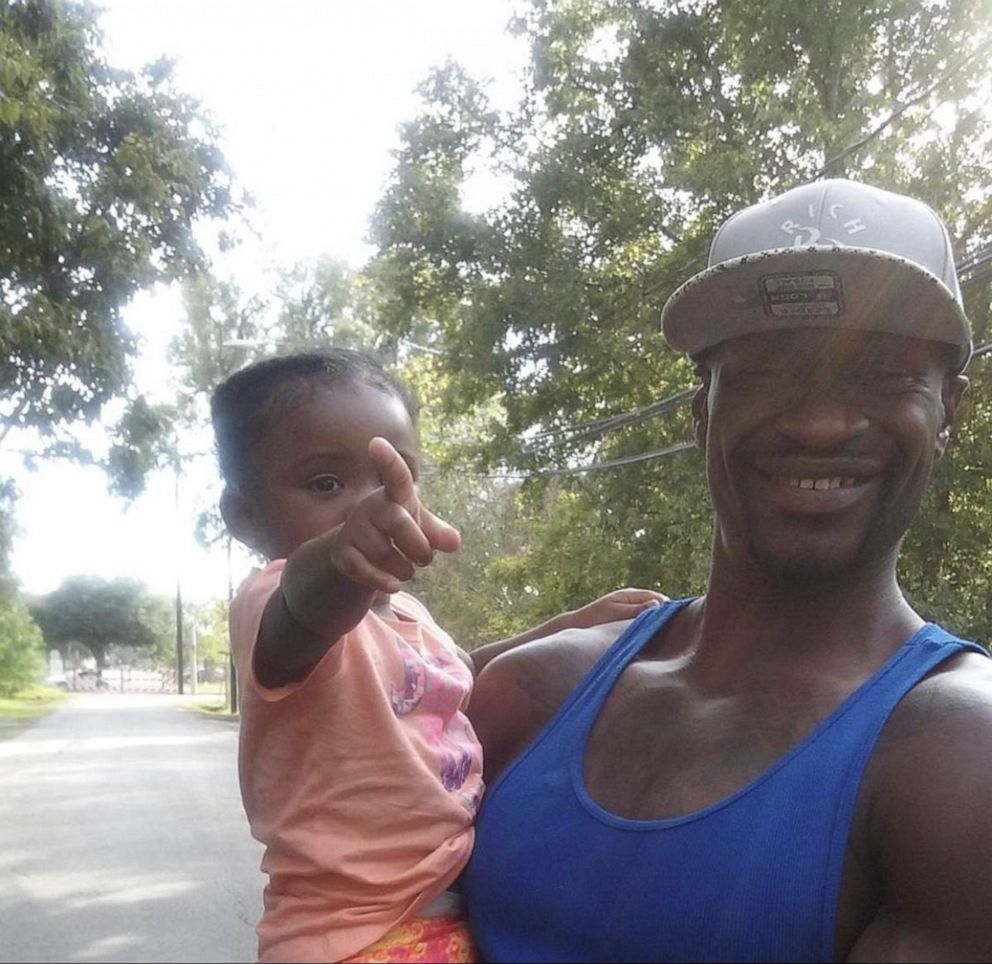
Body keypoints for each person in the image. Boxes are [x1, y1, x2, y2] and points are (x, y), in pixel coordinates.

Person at [463, 179, 992, 962]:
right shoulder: (530, 693)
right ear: (700, 405)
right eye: (770, 370)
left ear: (950, 409)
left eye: (884, 373)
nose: (820, 423)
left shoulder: (958, 762)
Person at [210, 349, 665, 963]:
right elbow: (306, 608)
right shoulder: (273, 602)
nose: (379, 507)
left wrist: (570, 624)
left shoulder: (407, 617)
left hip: (432, 911)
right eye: (326, 484)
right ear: (243, 514)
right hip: (359, 934)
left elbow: (462, 675)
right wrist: (343, 554)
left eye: (395, 479)